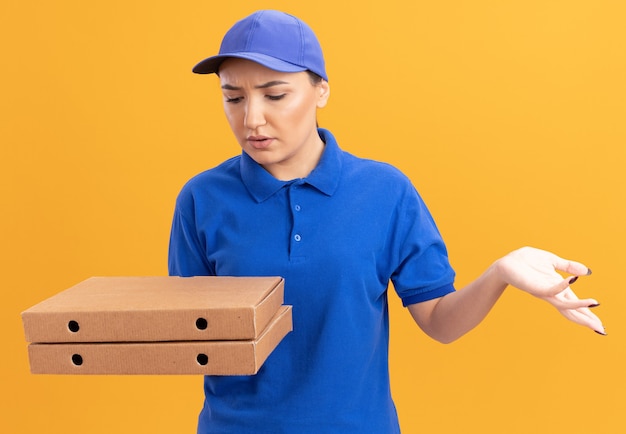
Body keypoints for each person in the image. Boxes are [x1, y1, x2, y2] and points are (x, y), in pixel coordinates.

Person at [168, 10, 605, 433]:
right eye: (233, 97)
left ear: (321, 91)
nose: (252, 118)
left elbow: (439, 321)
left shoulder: (385, 192)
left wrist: (499, 273)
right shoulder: (201, 199)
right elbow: (193, 340)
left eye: (275, 95)